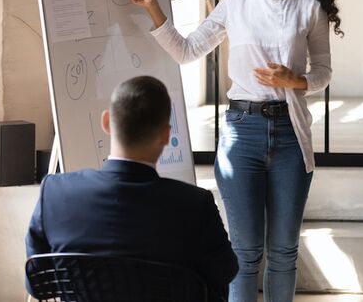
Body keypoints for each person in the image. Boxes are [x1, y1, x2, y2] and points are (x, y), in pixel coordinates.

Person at [127, 0, 340, 302]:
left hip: (291, 134)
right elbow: (186, 51)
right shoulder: (234, 5)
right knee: (244, 252)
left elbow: (323, 72)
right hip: (242, 132)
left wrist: (296, 81)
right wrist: (153, 7)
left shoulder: (309, 8)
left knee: (283, 251)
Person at [26, 76, 237, 301]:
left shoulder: (55, 193)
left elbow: (36, 283)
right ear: (166, 135)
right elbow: (224, 272)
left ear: (106, 122)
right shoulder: (195, 205)